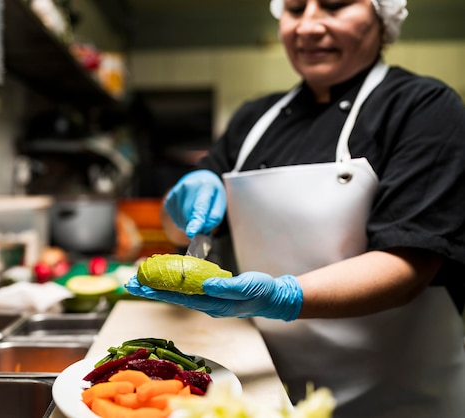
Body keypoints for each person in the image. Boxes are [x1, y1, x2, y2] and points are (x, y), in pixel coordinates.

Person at [126, 0, 465, 417]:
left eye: (335, 6)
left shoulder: (423, 107)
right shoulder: (253, 119)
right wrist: (179, 208)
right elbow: (186, 234)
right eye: (294, 8)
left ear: (383, 18)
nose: (307, 26)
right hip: (264, 380)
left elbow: (410, 264)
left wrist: (284, 296)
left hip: (395, 392)